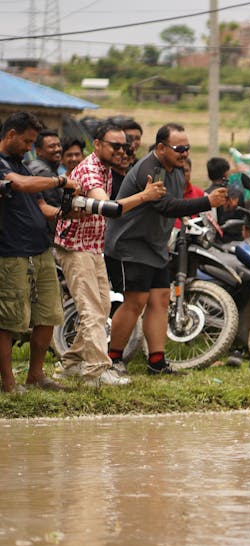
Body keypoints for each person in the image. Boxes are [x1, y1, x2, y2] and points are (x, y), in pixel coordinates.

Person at [107, 123, 227, 375]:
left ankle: (157, 362)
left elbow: (178, 202)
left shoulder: (177, 168)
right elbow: (166, 206)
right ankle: (112, 358)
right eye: (179, 148)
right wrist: (207, 201)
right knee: (135, 301)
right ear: (161, 147)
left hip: (156, 245)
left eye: (187, 148)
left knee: (161, 299)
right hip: (130, 244)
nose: (184, 153)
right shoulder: (150, 170)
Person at [55, 121, 166, 386]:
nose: (121, 151)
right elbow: (109, 208)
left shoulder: (106, 168)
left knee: (102, 307)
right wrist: (145, 195)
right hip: (75, 248)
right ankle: (96, 369)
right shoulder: (92, 170)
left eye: (124, 146)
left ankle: (71, 363)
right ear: (98, 145)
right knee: (92, 311)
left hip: (94, 247)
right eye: (115, 146)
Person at [0, 112, 75, 393]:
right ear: (10, 135)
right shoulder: (4, 166)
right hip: (10, 252)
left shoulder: (23, 165)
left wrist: (66, 213)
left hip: (41, 249)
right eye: (27, 141)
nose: (30, 148)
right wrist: (59, 181)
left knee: (48, 313)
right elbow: (19, 185)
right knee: (8, 319)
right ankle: (8, 383)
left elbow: (42, 206)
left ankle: (36, 375)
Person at [25, 129, 64, 209]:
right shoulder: (43, 173)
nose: (57, 149)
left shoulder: (46, 168)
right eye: (51, 146)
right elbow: (54, 206)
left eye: (59, 145)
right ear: (38, 151)